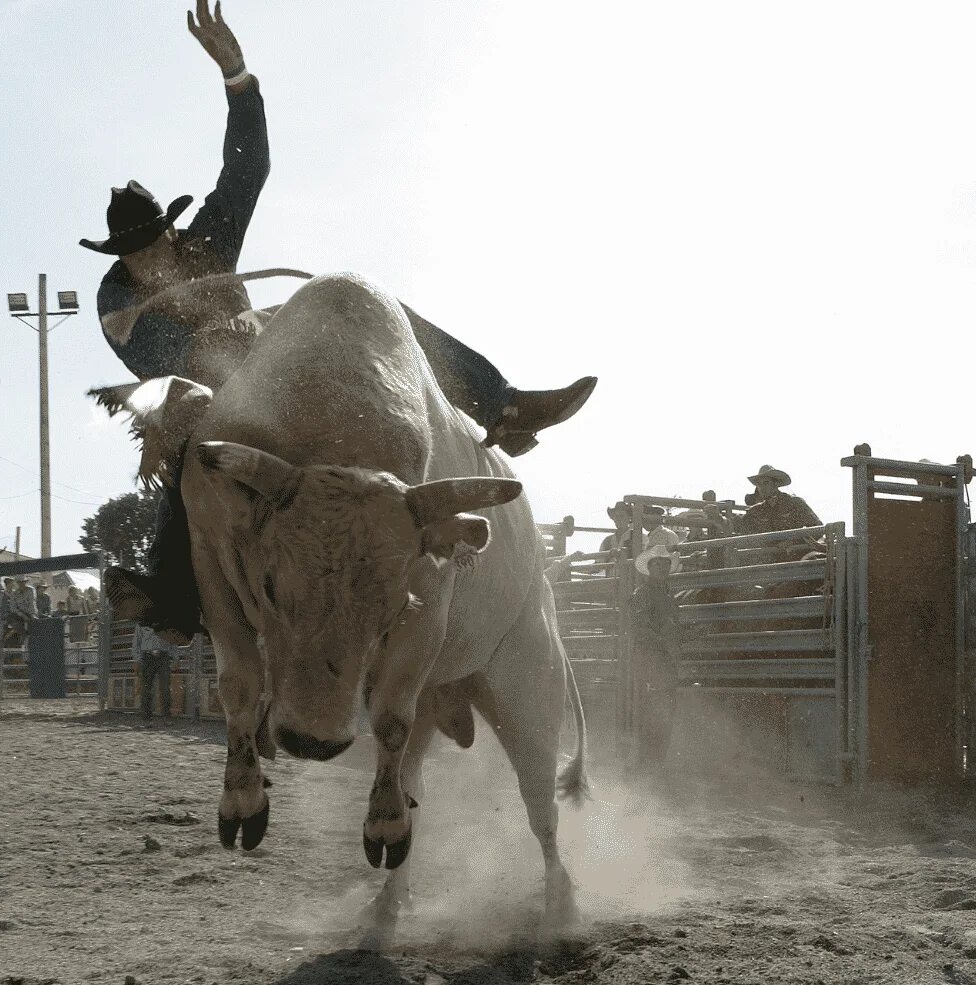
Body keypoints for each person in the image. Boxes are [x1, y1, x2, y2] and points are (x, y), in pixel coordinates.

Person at [88, 1, 596, 634]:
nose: (156, 257)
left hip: (268, 360)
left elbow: (247, 168)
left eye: (158, 242)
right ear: (123, 258)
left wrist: (237, 75)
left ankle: (502, 406)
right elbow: (166, 367)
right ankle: (173, 591)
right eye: (141, 253)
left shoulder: (205, 242)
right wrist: (223, 344)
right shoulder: (117, 306)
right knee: (191, 439)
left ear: (168, 230)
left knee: (379, 314)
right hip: (211, 390)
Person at [629, 553, 687, 766]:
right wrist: (665, 639)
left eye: (666, 564)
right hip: (651, 661)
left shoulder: (668, 597)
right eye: (658, 563)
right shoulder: (643, 594)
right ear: (650, 567)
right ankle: (647, 763)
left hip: (666, 662)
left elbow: (673, 628)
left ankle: (654, 763)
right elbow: (640, 627)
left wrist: (688, 634)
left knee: (665, 712)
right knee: (653, 712)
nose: (663, 567)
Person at [736, 465, 822, 561]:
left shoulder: (795, 503)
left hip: (798, 557)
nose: (761, 487)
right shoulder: (754, 512)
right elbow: (743, 536)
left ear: (775, 484)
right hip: (769, 561)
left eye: (766, 483)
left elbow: (817, 529)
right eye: (759, 484)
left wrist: (793, 542)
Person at [133, 622, 170, 721]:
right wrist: (137, 660)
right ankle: (146, 717)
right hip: (148, 656)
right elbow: (137, 641)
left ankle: (166, 716)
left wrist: (175, 657)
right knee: (146, 688)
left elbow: (172, 639)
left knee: (165, 688)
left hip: (163, 656)